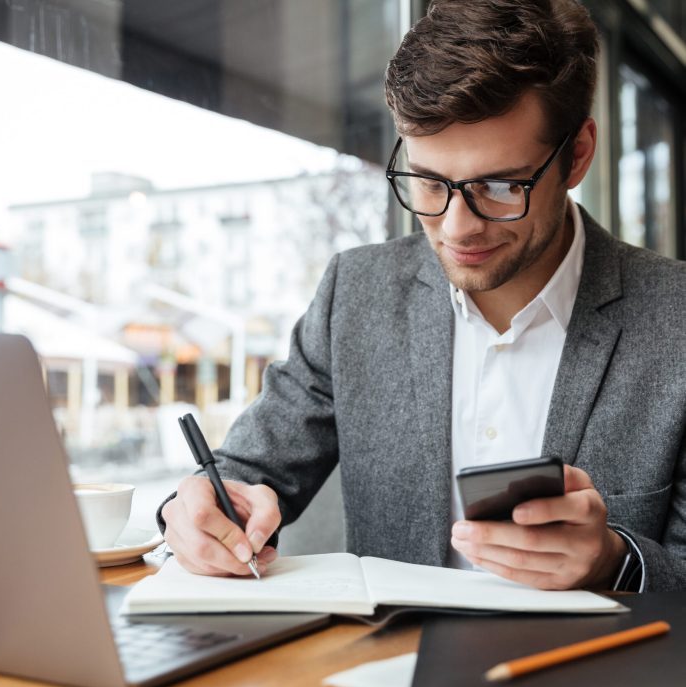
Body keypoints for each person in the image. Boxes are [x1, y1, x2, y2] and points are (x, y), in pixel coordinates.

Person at [158, 0, 686, 592]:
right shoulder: (354, 295)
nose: (457, 227)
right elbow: (245, 475)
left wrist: (615, 562)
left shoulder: (676, 320)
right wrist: (197, 514)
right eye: (428, 182)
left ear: (578, 155)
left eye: (498, 185)